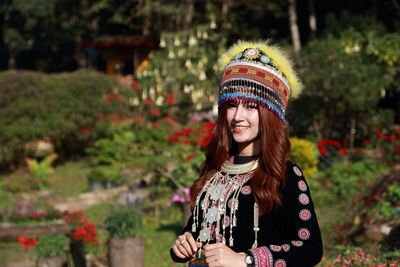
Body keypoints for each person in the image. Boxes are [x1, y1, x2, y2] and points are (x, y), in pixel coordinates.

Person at [170, 40, 323, 267]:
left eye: (251, 106)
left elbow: (310, 248)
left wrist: (246, 259)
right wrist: (184, 243)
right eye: (232, 105)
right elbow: (197, 229)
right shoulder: (215, 169)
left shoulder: (284, 175)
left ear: (270, 114)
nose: (238, 116)